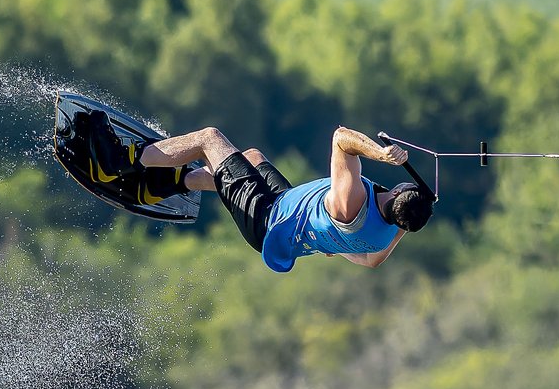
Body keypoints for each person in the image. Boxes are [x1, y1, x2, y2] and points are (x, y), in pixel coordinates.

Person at [61, 111, 433, 272]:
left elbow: (341, 139)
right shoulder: (382, 237)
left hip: (268, 219)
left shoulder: (352, 202)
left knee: (210, 139)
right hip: (284, 207)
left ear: (398, 191)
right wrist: (329, 243)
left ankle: (118, 161)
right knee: (250, 158)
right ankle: (166, 184)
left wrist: (381, 154)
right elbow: (371, 261)